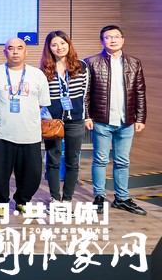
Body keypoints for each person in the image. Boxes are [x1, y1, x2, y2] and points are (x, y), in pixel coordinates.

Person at [0, 37, 50, 213]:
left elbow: (41, 103)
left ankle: (22, 201)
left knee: (31, 173)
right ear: (5, 52)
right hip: (0, 133)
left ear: (26, 51)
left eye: (19, 48)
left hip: (30, 134)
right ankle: (1, 203)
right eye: (11, 48)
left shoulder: (37, 75)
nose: (15, 52)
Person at [86, 25, 147, 215]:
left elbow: (140, 92)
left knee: (123, 161)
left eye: (116, 37)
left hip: (126, 120)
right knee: (100, 160)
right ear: (101, 41)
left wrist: (140, 118)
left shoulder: (134, 63)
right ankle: (99, 197)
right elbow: (86, 93)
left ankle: (122, 198)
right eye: (108, 37)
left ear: (123, 40)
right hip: (101, 120)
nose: (112, 40)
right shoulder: (91, 62)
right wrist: (87, 116)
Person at [39, 30, 90, 204]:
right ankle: (55, 198)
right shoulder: (44, 70)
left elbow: (85, 94)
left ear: (68, 44)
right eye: (54, 45)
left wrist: (87, 117)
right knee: (53, 159)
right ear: (49, 48)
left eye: (62, 43)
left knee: (72, 161)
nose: (59, 47)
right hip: (53, 122)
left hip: (75, 121)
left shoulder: (81, 66)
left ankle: (67, 199)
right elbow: (41, 98)